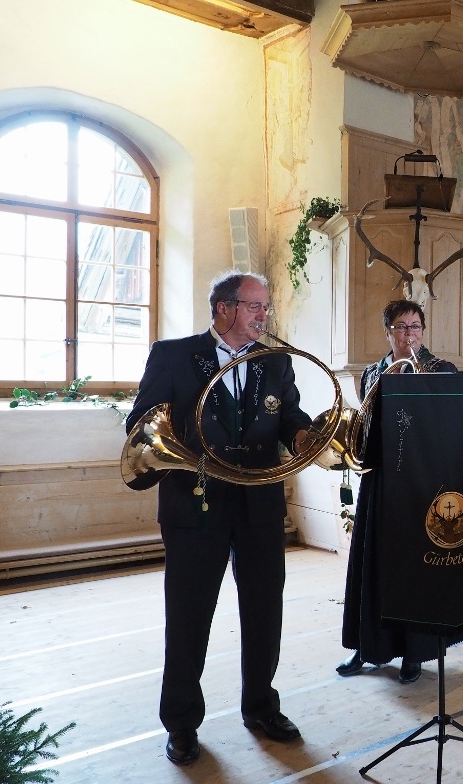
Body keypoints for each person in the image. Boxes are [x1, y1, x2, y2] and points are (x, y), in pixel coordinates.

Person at [125, 271, 313, 766]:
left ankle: (261, 707)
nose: (263, 316)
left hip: (259, 502)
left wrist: (302, 437)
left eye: (266, 308)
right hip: (196, 501)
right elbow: (140, 423)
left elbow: (290, 415)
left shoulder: (276, 361)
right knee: (188, 615)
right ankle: (182, 722)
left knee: (263, 609)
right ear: (224, 308)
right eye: (255, 307)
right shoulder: (173, 355)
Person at [336, 300, 458, 684]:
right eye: (402, 328)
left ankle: (414, 653)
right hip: (381, 478)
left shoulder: (442, 370)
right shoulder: (373, 371)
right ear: (387, 332)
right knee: (373, 564)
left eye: (416, 327)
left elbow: (445, 426)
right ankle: (367, 646)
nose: (410, 335)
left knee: (414, 568)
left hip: (421, 482)